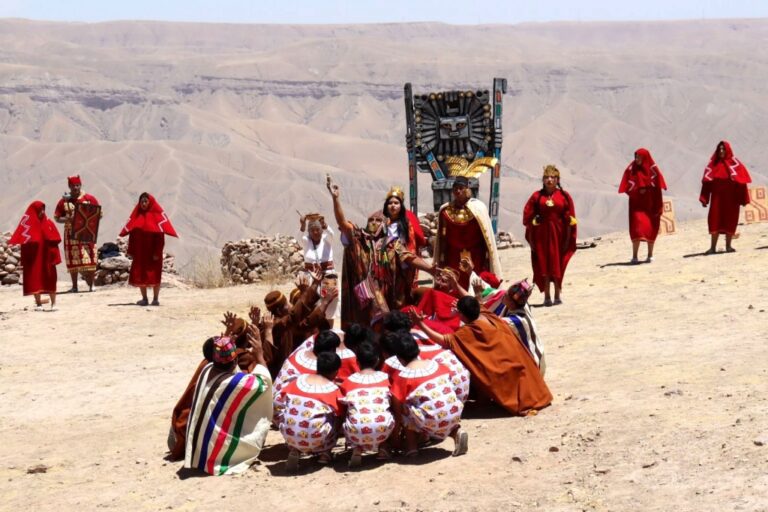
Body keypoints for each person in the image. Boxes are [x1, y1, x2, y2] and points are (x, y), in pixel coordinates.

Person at [413, 278, 552, 415]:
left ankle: (484, 398)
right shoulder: (488, 316)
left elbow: (444, 340)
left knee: (471, 362)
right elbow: (476, 303)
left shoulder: (471, 331)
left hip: (514, 377)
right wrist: (456, 286)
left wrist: (420, 324)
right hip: (526, 369)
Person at [327, 175, 434, 327]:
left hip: (387, 293)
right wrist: (335, 199)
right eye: (371, 220)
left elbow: (409, 257)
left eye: (378, 220)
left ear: (384, 224)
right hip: (364, 294)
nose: (374, 223)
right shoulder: (359, 239)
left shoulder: (391, 243)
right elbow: (342, 223)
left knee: (386, 327)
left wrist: (430, 269)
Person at [183, 331, 273, 476]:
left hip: (197, 449)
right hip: (213, 456)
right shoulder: (235, 383)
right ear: (235, 360)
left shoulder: (206, 369)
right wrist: (259, 355)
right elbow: (265, 383)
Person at [389, 331, 468, 457]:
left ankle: (411, 447)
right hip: (454, 412)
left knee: (404, 408)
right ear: (418, 350)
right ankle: (456, 432)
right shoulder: (437, 365)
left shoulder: (402, 377)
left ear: (399, 359)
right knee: (434, 402)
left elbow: (398, 412)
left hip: (432, 420)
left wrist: (395, 438)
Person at [278, 352, 345, 471]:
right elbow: (340, 414)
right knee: (334, 417)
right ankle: (325, 452)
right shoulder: (332, 389)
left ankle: (295, 449)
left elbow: (283, 396)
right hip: (314, 437)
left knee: (297, 412)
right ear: (335, 372)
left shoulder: (299, 379)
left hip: (288, 434)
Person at [433, 176, 502, 290]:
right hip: (453, 256)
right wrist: (441, 260)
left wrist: (486, 259)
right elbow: (443, 238)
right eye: (455, 188)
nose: (458, 191)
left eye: (461, 188)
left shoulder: (478, 209)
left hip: (476, 256)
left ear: (467, 189)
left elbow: (486, 237)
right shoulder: (445, 211)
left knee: (475, 283)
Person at [523, 165, 577, 306]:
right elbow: (528, 215)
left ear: (557, 180)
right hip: (542, 235)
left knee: (557, 263)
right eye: (547, 177)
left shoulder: (564, 196)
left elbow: (569, 215)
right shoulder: (537, 196)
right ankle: (547, 296)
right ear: (543, 179)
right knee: (544, 264)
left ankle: (557, 295)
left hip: (559, 234)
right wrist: (534, 220)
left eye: (552, 177)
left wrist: (569, 226)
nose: (549, 180)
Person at [339, 341, 395, 466]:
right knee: (388, 410)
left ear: (357, 362)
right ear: (377, 360)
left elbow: (343, 408)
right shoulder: (385, 378)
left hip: (355, 432)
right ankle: (383, 448)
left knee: (351, 412)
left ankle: (357, 448)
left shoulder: (348, 381)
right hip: (383, 429)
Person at [119, 193, 178, 306]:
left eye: (146, 201)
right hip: (140, 252)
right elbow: (132, 235)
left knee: (154, 274)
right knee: (141, 274)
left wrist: (157, 252)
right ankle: (144, 298)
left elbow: (160, 238)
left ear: (150, 202)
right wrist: (132, 251)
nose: (144, 204)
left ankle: (155, 299)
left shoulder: (156, 218)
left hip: (153, 253)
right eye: (142, 202)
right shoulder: (137, 217)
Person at [480, 278, 546, 374]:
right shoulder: (522, 305)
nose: (503, 295)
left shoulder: (515, 322)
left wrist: (478, 297)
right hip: (539, 357)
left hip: (532, 365)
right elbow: (494, 293)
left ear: (511, 302)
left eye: (506, 295)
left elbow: (486, 323)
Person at [699, 141, 752, 254]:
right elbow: (706, 183)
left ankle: (728, 246)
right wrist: (704, 198)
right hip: (717, 200)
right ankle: (712, 248)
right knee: (714, 221)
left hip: (732, 200)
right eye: (719, 149)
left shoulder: (736, 165)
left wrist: (744, 198)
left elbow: (741, 182)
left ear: (727, 150)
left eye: (723, 149)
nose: (721, 151)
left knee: (730, 221)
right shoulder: (712, 165)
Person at [9, 201, 61, 310]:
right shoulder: (27, 225)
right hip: (34, 259)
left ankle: (54, 303)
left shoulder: (48, 223)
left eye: (43, 209)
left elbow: (56, 237)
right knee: (35, 279)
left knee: (50, 278)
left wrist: (54, 253)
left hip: (47, 257)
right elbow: (23, 240)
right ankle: (38, 304)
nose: (42, 212)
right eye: (40, 209)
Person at [619, 148, 667, 263]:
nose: (636, 159)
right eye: (635, 157)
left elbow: (658, 186)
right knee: (637, 228)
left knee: (651, 227)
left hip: (650, 204)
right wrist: (636, 190)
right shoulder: (631, 169)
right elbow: (627, 185)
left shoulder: (653, 169)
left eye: (639, 157)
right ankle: (634, 256)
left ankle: (650, 255)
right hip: (636, 204)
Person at [54, 175, 100, 292]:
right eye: (73, 185)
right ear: (69, 186)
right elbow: (57, 217)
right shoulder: (64, 201)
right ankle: (74, 286)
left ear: (81, 185)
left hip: (86, 232)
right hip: (70, 233)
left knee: (90, 257)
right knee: (72, 258)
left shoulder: (89, 198)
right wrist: (68, 219)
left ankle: (92, 285)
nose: (76, 187)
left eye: (77, 185)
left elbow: (99, 213)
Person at [298, 212, 339, 327]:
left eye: (318, 229)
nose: (315, 232)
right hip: (311, 277)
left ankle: (329, 330)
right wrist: (303, 224)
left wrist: (325, 225)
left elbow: (332, 234)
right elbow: (299, 236)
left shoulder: (327, 239)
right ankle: (313, 330)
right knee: (311, 303)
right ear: (309, 232)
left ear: (321, 230)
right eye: (312, 230)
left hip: (328, 276)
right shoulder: (306, 241)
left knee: (330, 303)